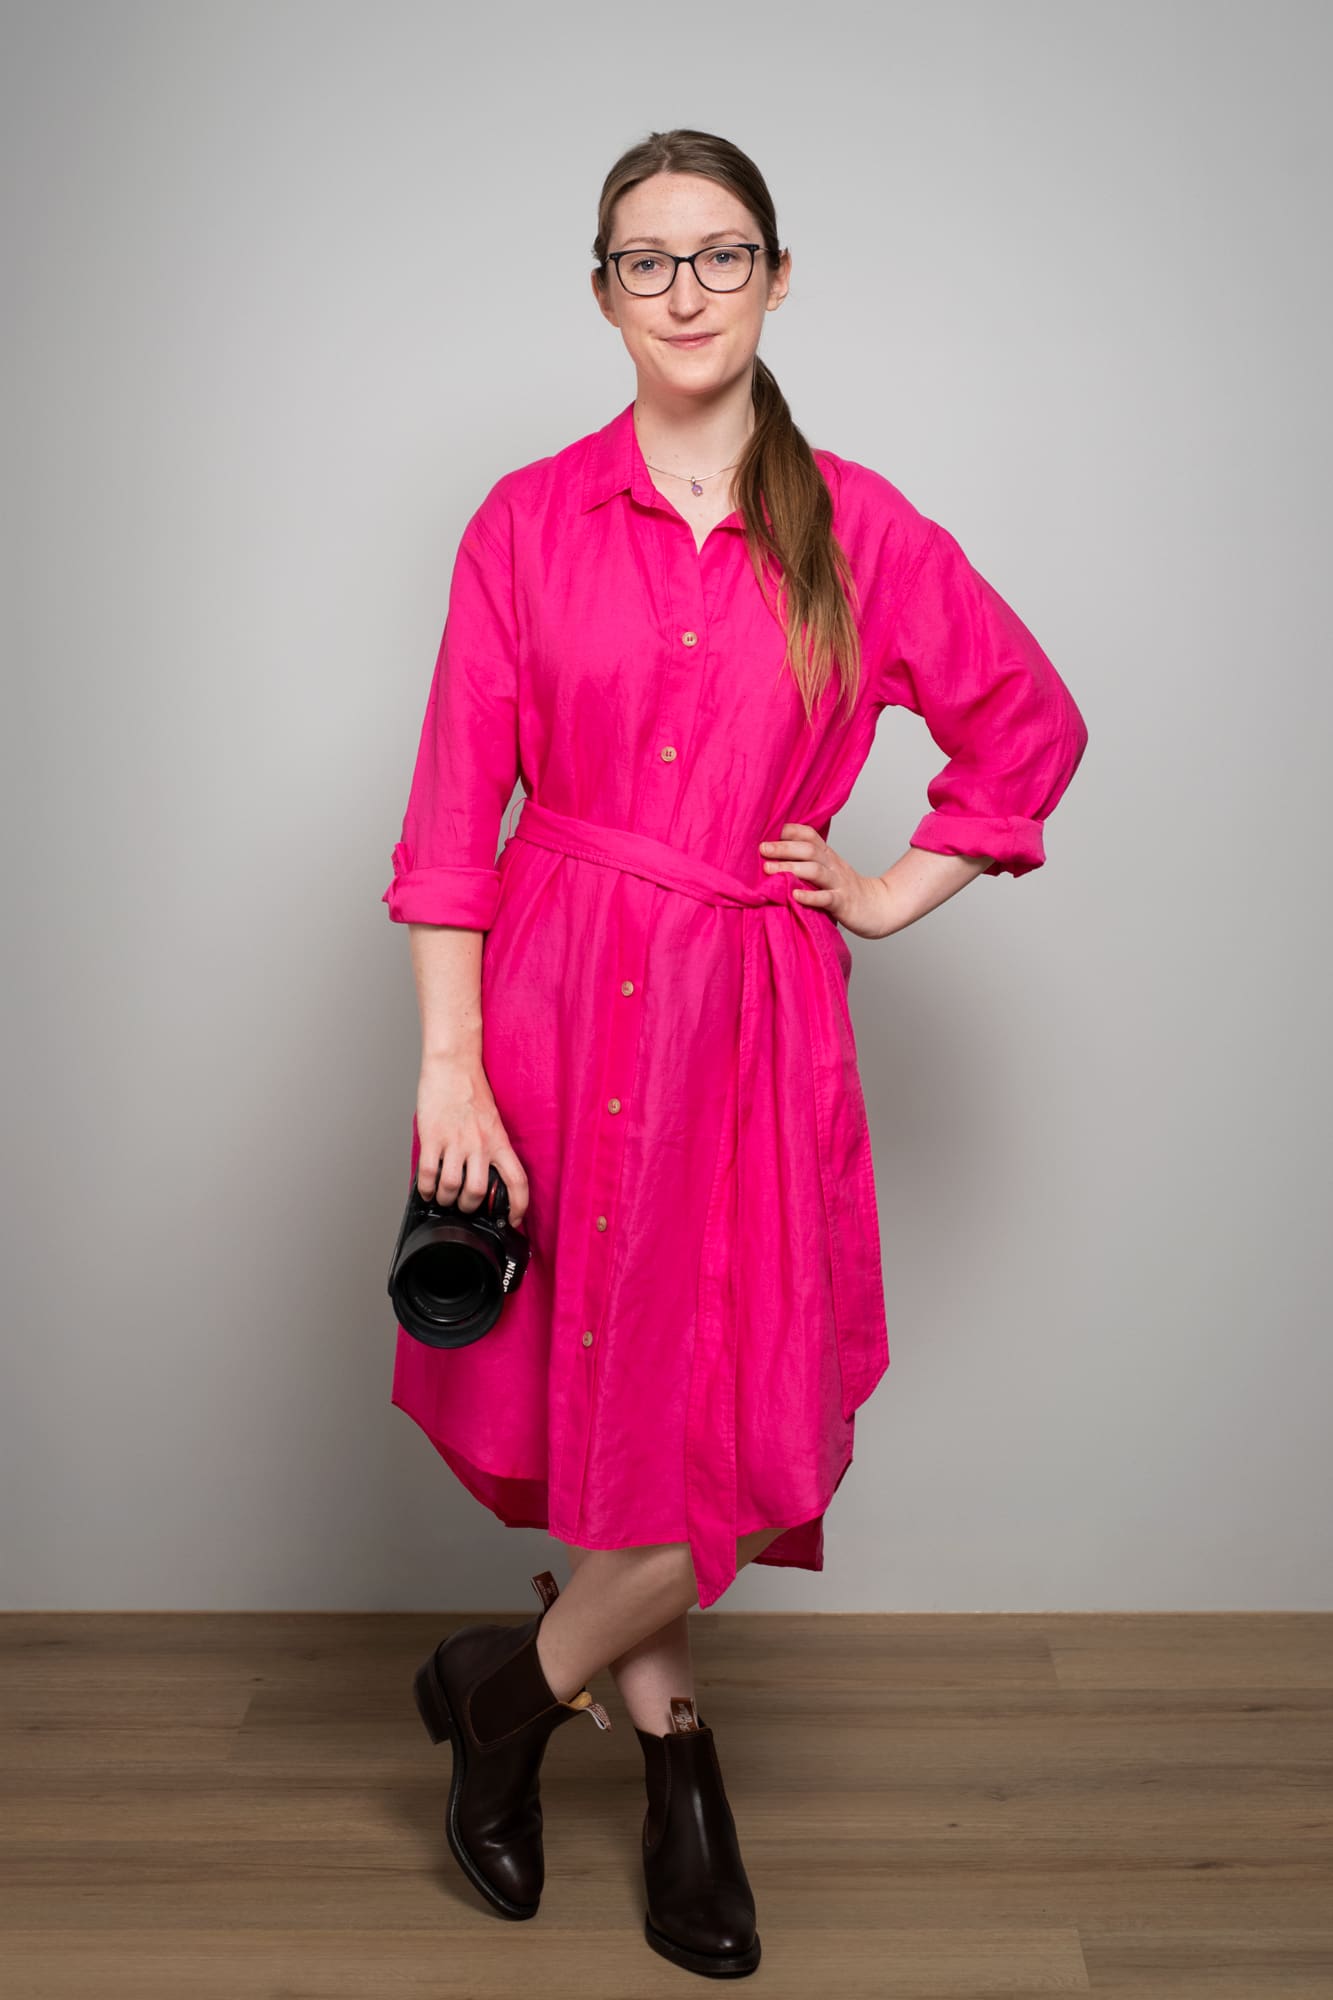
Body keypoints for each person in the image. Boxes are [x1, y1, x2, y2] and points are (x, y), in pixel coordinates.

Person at [383, 128, 1088, 1978]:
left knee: (744, 1430)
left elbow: (1026, 726)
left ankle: (510, 1691)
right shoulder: (524, 523)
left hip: (748, 1016)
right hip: (549, 998)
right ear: (602, 292)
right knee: (617, 1393)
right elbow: (456, 818)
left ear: (780, 280)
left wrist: (885, 894)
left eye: (720, 255)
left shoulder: (862, 527)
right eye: (645, 260)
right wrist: (450, 1069)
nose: (684, 291)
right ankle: (678, 1760)